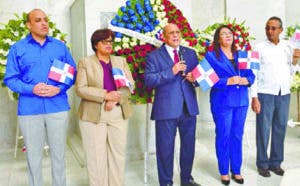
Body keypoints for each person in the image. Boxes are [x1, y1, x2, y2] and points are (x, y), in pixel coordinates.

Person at [4, 9, 76, 186]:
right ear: (29, 25)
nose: (44, 23)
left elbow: (72, 73)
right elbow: (10, 79)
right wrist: (31, 89)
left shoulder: (60, 47)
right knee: (33, 157)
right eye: (38, 20)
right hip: (30, 110)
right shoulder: (18, 48)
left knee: (59, 155)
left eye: (46, 20)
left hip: (57, 107)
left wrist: (58, 89)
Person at [75, 28, 134, 186]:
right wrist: (105, 95)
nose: (109, 44)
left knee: (118, 156)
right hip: (93, 115)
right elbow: (80, 88)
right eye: (104, 41)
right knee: (96, 158)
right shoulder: (86, 62)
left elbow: (129, 85)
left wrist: (115, 99)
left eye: (110, 41)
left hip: (118, 112)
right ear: (95, 44)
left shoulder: (120, 61)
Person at [145, 23, 200, 186]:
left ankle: (186, 179)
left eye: (178, 32)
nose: (175, 35)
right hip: (166, 110)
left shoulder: (190, 53)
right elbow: (149, 80)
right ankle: (166, 182)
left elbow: (199, 78)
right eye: (171, 33)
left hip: (189, 108)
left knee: (188, 147)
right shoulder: (154, 56)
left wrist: (194, 79)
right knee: (165, 149)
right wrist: (173, 70)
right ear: (164, 36)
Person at [204, 25, 255, 185]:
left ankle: (237, 170)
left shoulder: (242, 54)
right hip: (222, 102)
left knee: (237, 135)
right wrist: (228, 81)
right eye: (223, 33)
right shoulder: (211, 56)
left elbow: (251, 75)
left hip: (241, 102)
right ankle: (224, 171)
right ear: (218, 38)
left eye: (229, 33)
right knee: (223, 135)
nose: (227, 35)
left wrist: (247, 80)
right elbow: (206, 80)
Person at [251, 16, 300, 177]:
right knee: (263, 130)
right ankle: (262, 164)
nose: (269, 31)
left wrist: (294, 61)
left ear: (281, 30)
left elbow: (291, 71)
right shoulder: (258, 48)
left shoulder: (288, 47)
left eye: (273, 28)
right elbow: (254, 73)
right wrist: (254, 97)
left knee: (280, 128)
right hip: (265, 93)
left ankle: (276, 163)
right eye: (267, 28)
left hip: (283, 93)